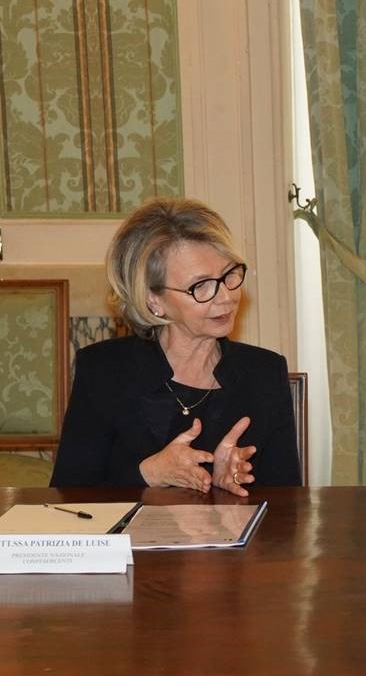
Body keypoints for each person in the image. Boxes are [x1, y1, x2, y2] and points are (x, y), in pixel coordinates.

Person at [51, 198, 301, 493]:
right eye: (201, 286)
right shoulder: (103, 370)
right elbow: (68, 496)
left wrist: (229, 485)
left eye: (229, 275)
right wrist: (148, 473)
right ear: (153, 300)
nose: (226, 297)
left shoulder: (264, 372)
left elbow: (288, 503)